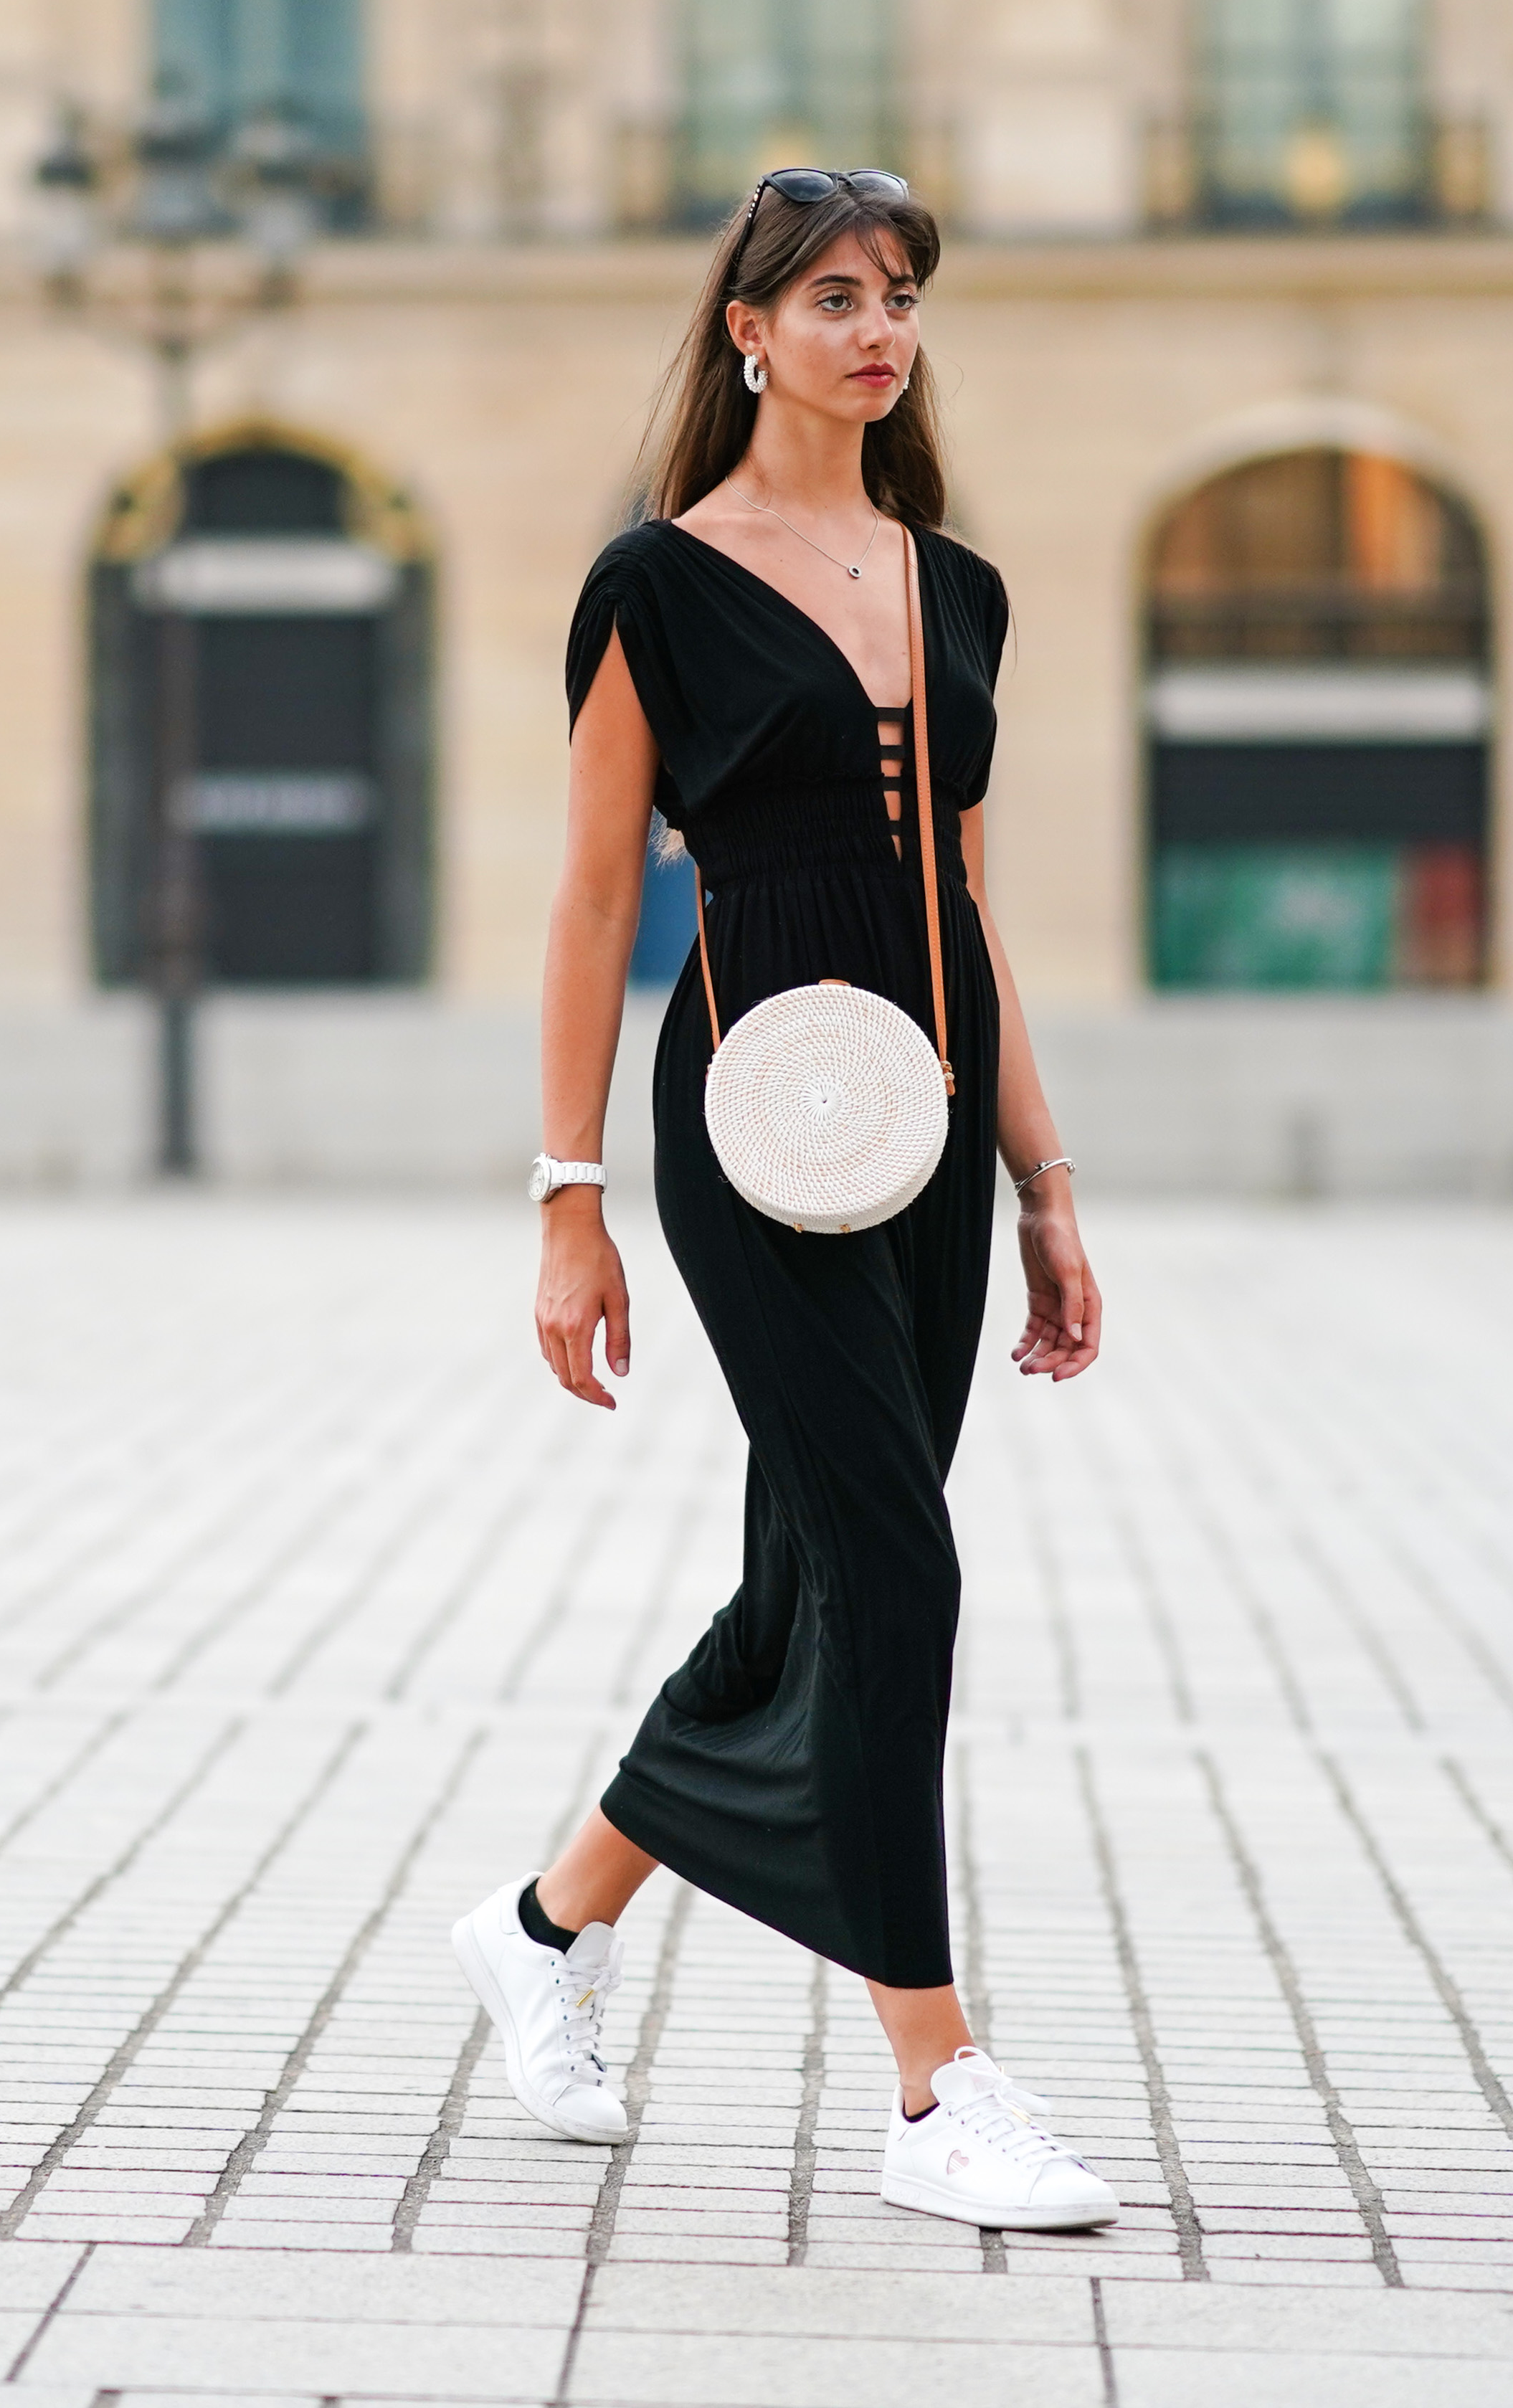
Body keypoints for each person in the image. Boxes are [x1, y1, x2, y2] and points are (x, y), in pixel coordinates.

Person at [448, 166, 1114, 2232]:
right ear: (746, 332)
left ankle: (546, 1931)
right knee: (898, 1575)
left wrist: (1045, 1183)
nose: (874, 327)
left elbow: (971, 910)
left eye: (897, 295)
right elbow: (585, 894)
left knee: (815, 1575)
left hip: (921, 1136)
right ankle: (936, 2088)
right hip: (750, 1129)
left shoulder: (961, 586)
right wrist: (571, 1194)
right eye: (831, 294)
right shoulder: (653, 581)